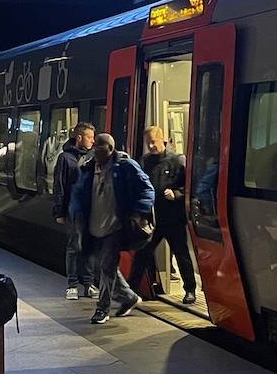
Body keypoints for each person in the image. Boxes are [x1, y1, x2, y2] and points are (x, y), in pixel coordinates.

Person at [69, 132, 153, 324]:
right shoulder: (89, 169)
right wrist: (75, 212)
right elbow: (78, 193)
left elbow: (147, 189)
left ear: (111, 149)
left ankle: (102, 309)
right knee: (106, 267)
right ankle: (128, 297)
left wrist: (139, 212)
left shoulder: (125, 167)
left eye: (100, 149)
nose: (96, 154)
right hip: (92, 226)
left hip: (115, 227)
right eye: (94, 149)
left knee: (107, 267)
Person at [128, 126, 199, 304]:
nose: (151, 146)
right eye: (148, 143)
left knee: (181, 254)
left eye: (153, 141)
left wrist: (176, 194)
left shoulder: (177, 161)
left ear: (163, 140)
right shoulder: (144, 162)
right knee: (142, 254)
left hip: (173, 218)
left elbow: (189, 188)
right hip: (152, 219)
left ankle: (190, 290)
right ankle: (131, 290)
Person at [51, 122, 98, 300]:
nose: (92, 141)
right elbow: (59, 186)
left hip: (91, 212)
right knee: (74, 246)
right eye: (90, 137)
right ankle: (72, 284)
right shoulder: (65, 158)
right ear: (79, 138)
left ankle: (89, 283)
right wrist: (59, 212)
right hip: (73, 211)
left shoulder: (94, 157)